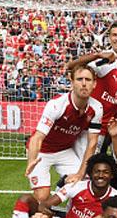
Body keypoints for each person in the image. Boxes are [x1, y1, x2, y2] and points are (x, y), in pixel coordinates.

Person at [9, 153, 117, 218]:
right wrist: (46, 212)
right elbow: (45, 204)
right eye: (97, 171)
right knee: (28, 201)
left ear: (112, 175)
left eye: (105, 172)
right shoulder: (77, 186)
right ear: (90, 174)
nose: (100, 175)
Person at [25, 64, 103, 201]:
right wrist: (32, 160)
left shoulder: (97, 108)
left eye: (88, 80)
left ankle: (71, 217)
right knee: (43, 198)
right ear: (72, 82)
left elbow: (92, 143)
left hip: (64, 151)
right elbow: (37, 137)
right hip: (42, 153)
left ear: (94, 84)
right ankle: (30, 217)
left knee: (83, 186)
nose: (84, 84)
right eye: (79, 79)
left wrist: (80, 173)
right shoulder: (56, 105)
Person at [73, 40, 117, 152]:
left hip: (104, 131)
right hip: (86, 127)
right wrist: (97, 56)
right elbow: (77, 67)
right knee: (83, 165)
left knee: (94, 165)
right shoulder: (109, 66)